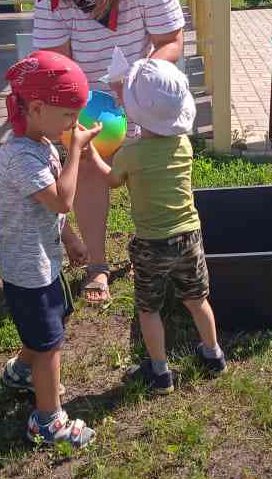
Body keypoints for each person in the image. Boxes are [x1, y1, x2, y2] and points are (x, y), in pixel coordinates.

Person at [32, 0, 186, 306]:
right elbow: (56, 60)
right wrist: (73, 111)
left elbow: (171, 39)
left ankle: (153, 250)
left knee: (147, 178)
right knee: (86, 178)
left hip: (142, 93)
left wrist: (140, 81)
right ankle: (98, 264)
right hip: (86, 96)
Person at [91, 58, 226, 394]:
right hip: (189, 237)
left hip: (152, 243)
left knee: (149, 309)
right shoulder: (184, 145)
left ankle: (160, 372)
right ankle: (213, 355)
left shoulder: (130, 154)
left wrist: (88, 152)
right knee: (197, 300)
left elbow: (111, 181)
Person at [0, 51, 100, 448]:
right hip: (28, 269)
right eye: (69, 116)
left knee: (51, 324)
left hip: (45, 259)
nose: (74, 124)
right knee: (49, 343)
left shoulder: (41, 142)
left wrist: (70, 239)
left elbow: (54, 212)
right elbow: (61, 201)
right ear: (36, 108)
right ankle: (48, 420)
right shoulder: (19, 155)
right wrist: (75, 149)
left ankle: (21, 370)